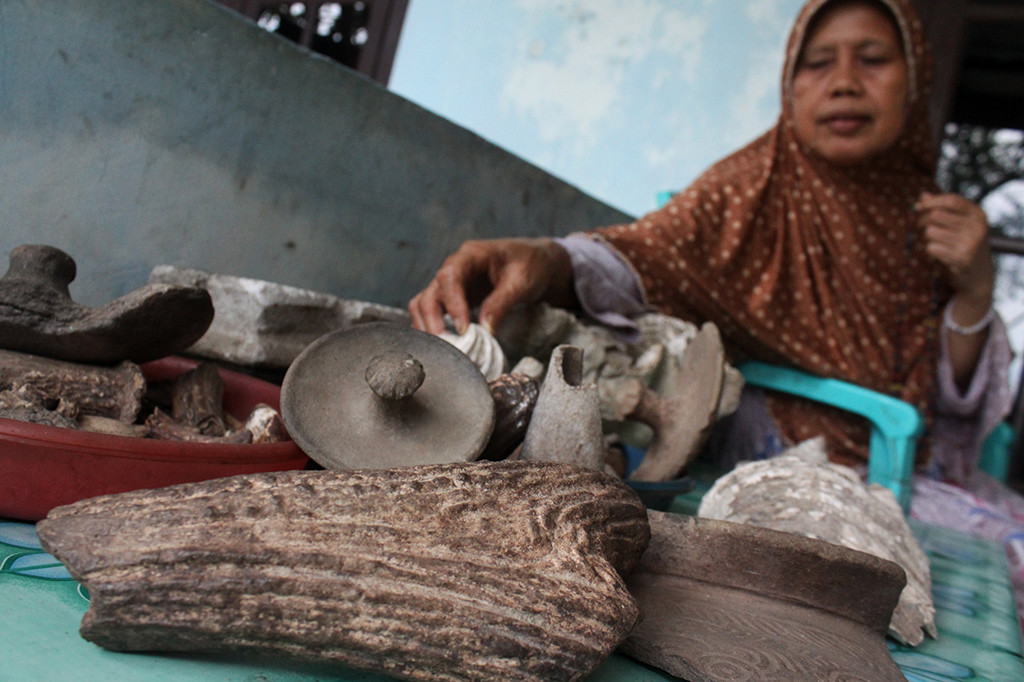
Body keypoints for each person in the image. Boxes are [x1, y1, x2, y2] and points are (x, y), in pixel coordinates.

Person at [410, 0, 1010, 478]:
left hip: (909, 467)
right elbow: (646, 255)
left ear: (916, 78)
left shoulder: (931, 218)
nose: (845, 82)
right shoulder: (749, 188)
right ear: (790, 84)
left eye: (874, 59)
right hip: (781, 457)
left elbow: (949, 403)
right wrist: (545, 258)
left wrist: (976, 287)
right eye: (819, 62)